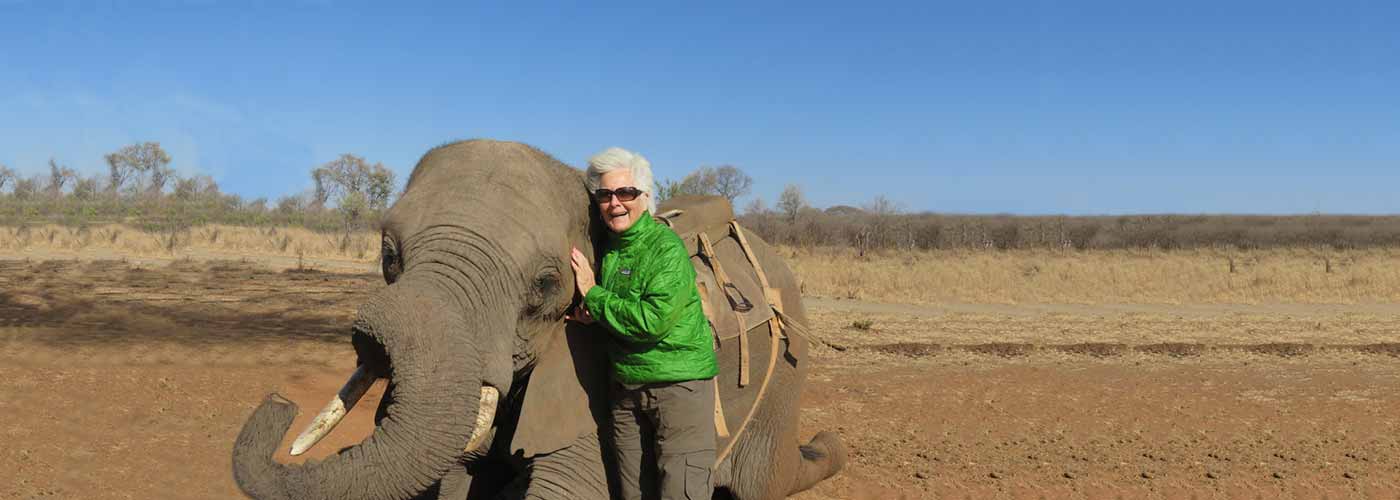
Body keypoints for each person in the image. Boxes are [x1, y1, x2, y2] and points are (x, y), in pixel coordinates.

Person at [568, 146, 718, 500]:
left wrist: (593, 294)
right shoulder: (610, 248)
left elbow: (651, 321)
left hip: (678, 386)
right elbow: (619, 308)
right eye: (605, 195)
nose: (615, 203)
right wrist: (592, 315)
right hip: (626, 389)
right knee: (632, 492)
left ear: (646, 197)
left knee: (682, 491)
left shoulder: (665, 248)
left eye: (626, 192)